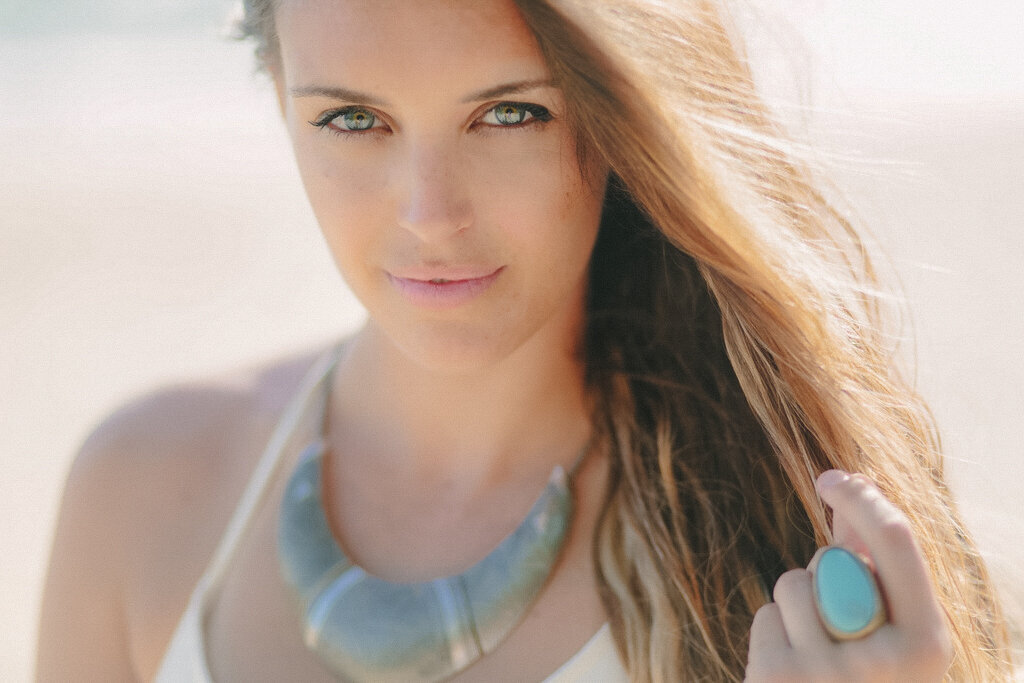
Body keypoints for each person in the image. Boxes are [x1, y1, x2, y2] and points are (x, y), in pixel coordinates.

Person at [36, 0, 1014, 681]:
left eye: (509, 112)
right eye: (352, 119)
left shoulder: (783, 545)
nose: (429, 213)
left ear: (619, 110)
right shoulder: (143, 487)